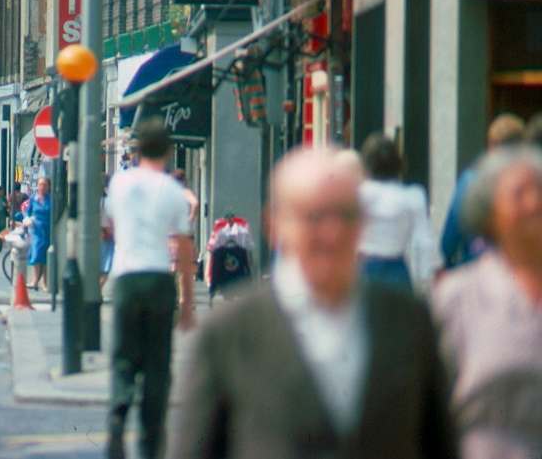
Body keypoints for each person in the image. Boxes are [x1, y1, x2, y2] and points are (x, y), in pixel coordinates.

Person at [167, 146, 455, 459]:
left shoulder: (409, 323)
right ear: (275, 226)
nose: (331, 233)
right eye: (314, 217)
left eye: (344, 215)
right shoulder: (229, 333)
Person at [432, 145, 542, 459]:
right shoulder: (456, 299)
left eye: (541, 191)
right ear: (490, 213)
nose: (534, 203)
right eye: (520, 194)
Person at [104, 119, 195, 459]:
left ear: (138, 149)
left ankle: (117, 415)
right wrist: (186, 303)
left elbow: (110, 227)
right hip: (159, 279)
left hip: (126, 278)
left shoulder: (120, 183)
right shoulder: (172, 190)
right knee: (158, 363)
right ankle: (150, 440)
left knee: (124, 357)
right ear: (169, 150)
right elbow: (184, 248)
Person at [441, 113, 525, 269]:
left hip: (476, 267)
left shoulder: (470, 181)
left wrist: (446, 262)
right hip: (519, 275)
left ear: (491, 144)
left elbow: (451, 234)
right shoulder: (531, 184)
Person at [357, 133, 439, 291]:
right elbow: (423, 240)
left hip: (364, 268)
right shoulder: (413, 196)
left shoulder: (358, 195)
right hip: (397, 270)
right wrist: (427, 276)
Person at [25, 177, 52, 291]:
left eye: (44, 185)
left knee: (46, 256)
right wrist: (28, 220)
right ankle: (35, 280)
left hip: (47, 230)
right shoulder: (33, 199)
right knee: (36, 254)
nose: (42, 187)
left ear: (49, 187)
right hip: (36, 230)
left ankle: (45, 283)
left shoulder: (51, 200)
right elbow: (28, 213)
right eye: (40, 184)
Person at [99, 175, 115, 291]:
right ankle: (97, 290)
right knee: (106, 267)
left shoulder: (104, 199)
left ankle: (97, 289)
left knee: (105, 267)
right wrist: (105, 229)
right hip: (106, 235)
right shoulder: (105, 200)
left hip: (107, 235)